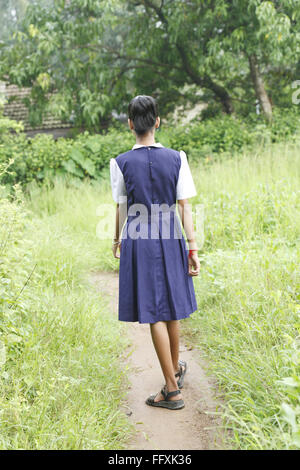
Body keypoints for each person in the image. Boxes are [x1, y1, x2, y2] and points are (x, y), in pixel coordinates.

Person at [110, 95, 200, 410]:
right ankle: (174, 370)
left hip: (139, 236)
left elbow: (121, 207)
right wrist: (192, 247)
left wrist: (116, 239)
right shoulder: (178, 158)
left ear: (131, 124)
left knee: (153, 312)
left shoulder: (120, 162)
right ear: (157, 122)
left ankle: (172, 390)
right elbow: (184, 206)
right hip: (171, 233)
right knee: (171, 306)